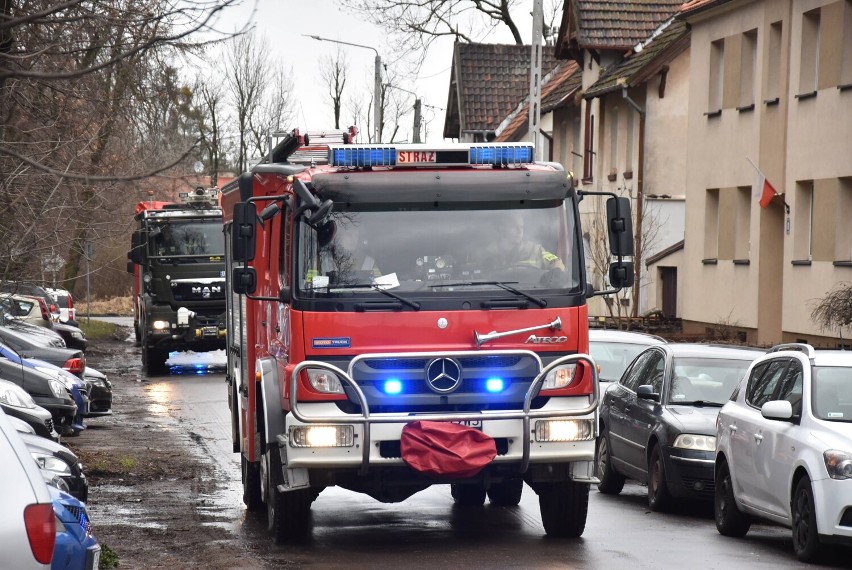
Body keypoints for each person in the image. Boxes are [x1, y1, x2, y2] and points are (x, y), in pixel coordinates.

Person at [491, 212, 565, 271]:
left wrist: (556, 274)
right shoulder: (489, 254)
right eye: (514, 227)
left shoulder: (535, 250)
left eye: (521, 227)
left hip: (530, 289)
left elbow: (556, 262)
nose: (520, 231)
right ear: (502, 229)